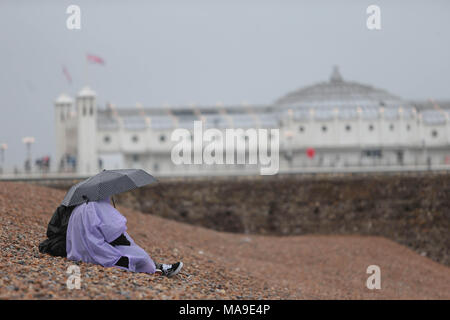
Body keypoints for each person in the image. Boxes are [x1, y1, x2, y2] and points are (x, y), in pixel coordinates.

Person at [66, 197, 183, 277]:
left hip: (79, 253)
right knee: (139, 255)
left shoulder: (78, 208)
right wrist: (127, 240)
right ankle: (158, 269)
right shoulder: (97, 206)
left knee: (132, 250)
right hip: (98, 253)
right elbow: (114, 235)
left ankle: (157, 266)